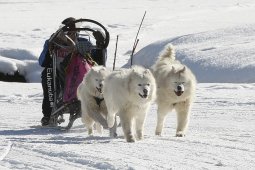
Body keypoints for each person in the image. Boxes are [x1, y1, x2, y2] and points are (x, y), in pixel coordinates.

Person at [39, 17, 78, 126]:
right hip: (55, 72)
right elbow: (42, 62)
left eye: (73, 28)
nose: (70, 31)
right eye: (68, 28)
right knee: (48, 74)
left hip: (75, 72)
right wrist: (49, 50)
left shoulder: (82, 42)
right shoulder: (53, 41)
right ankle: (48, 114)